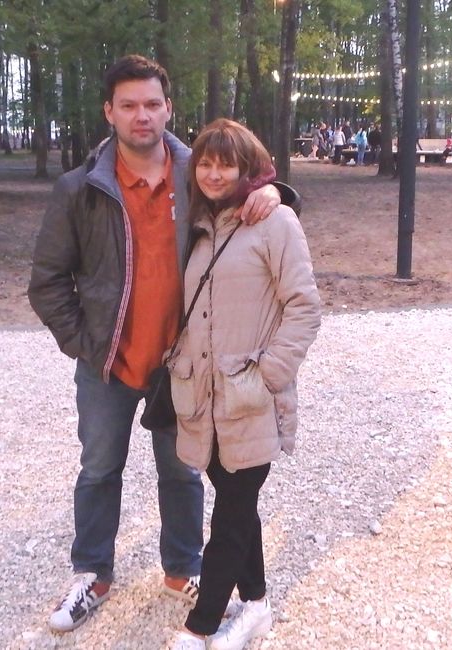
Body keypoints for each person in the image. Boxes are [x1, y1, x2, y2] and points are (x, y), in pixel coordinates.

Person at [27, 55, 298, 634]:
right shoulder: (80, 189)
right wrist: (85, 342)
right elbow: (46, 281)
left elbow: (251, 192)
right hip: (108, 362)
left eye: (152, 104)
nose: (141, 115)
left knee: (183, 473)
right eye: (128, 105)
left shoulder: (196, 173)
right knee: (99, 469)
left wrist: (276, 193)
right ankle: (92, 573)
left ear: (168, 108)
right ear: (109, 112)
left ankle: (182, 568)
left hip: (183, 364)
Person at [168, 118, 321, 650]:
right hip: (203, 399)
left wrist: (269, 376)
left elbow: (304, 307)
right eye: (205, 163)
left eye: (226, 164)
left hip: (250, 399)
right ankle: (256, 604)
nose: (213, 174)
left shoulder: (275, 222)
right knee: (237, 501)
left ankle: (202, 624)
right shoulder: (201, 223)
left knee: (230, 513)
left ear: (247, 168)